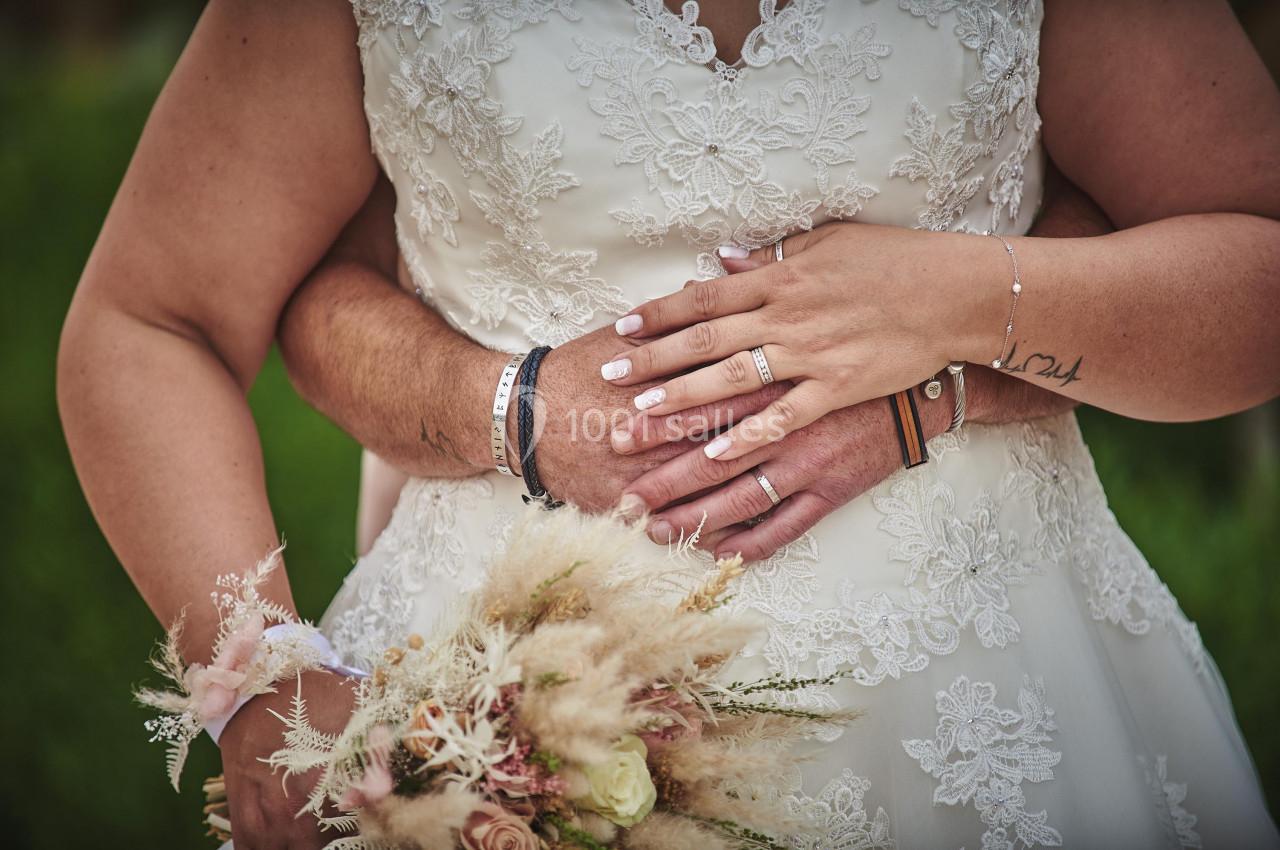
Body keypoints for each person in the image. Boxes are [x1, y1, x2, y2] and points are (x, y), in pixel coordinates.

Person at [58, 1, 1280, 847]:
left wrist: (950, 304)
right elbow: (153, 316)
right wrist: (262, 685)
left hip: (1002, 703)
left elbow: (1254, 265)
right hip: (498, 718)